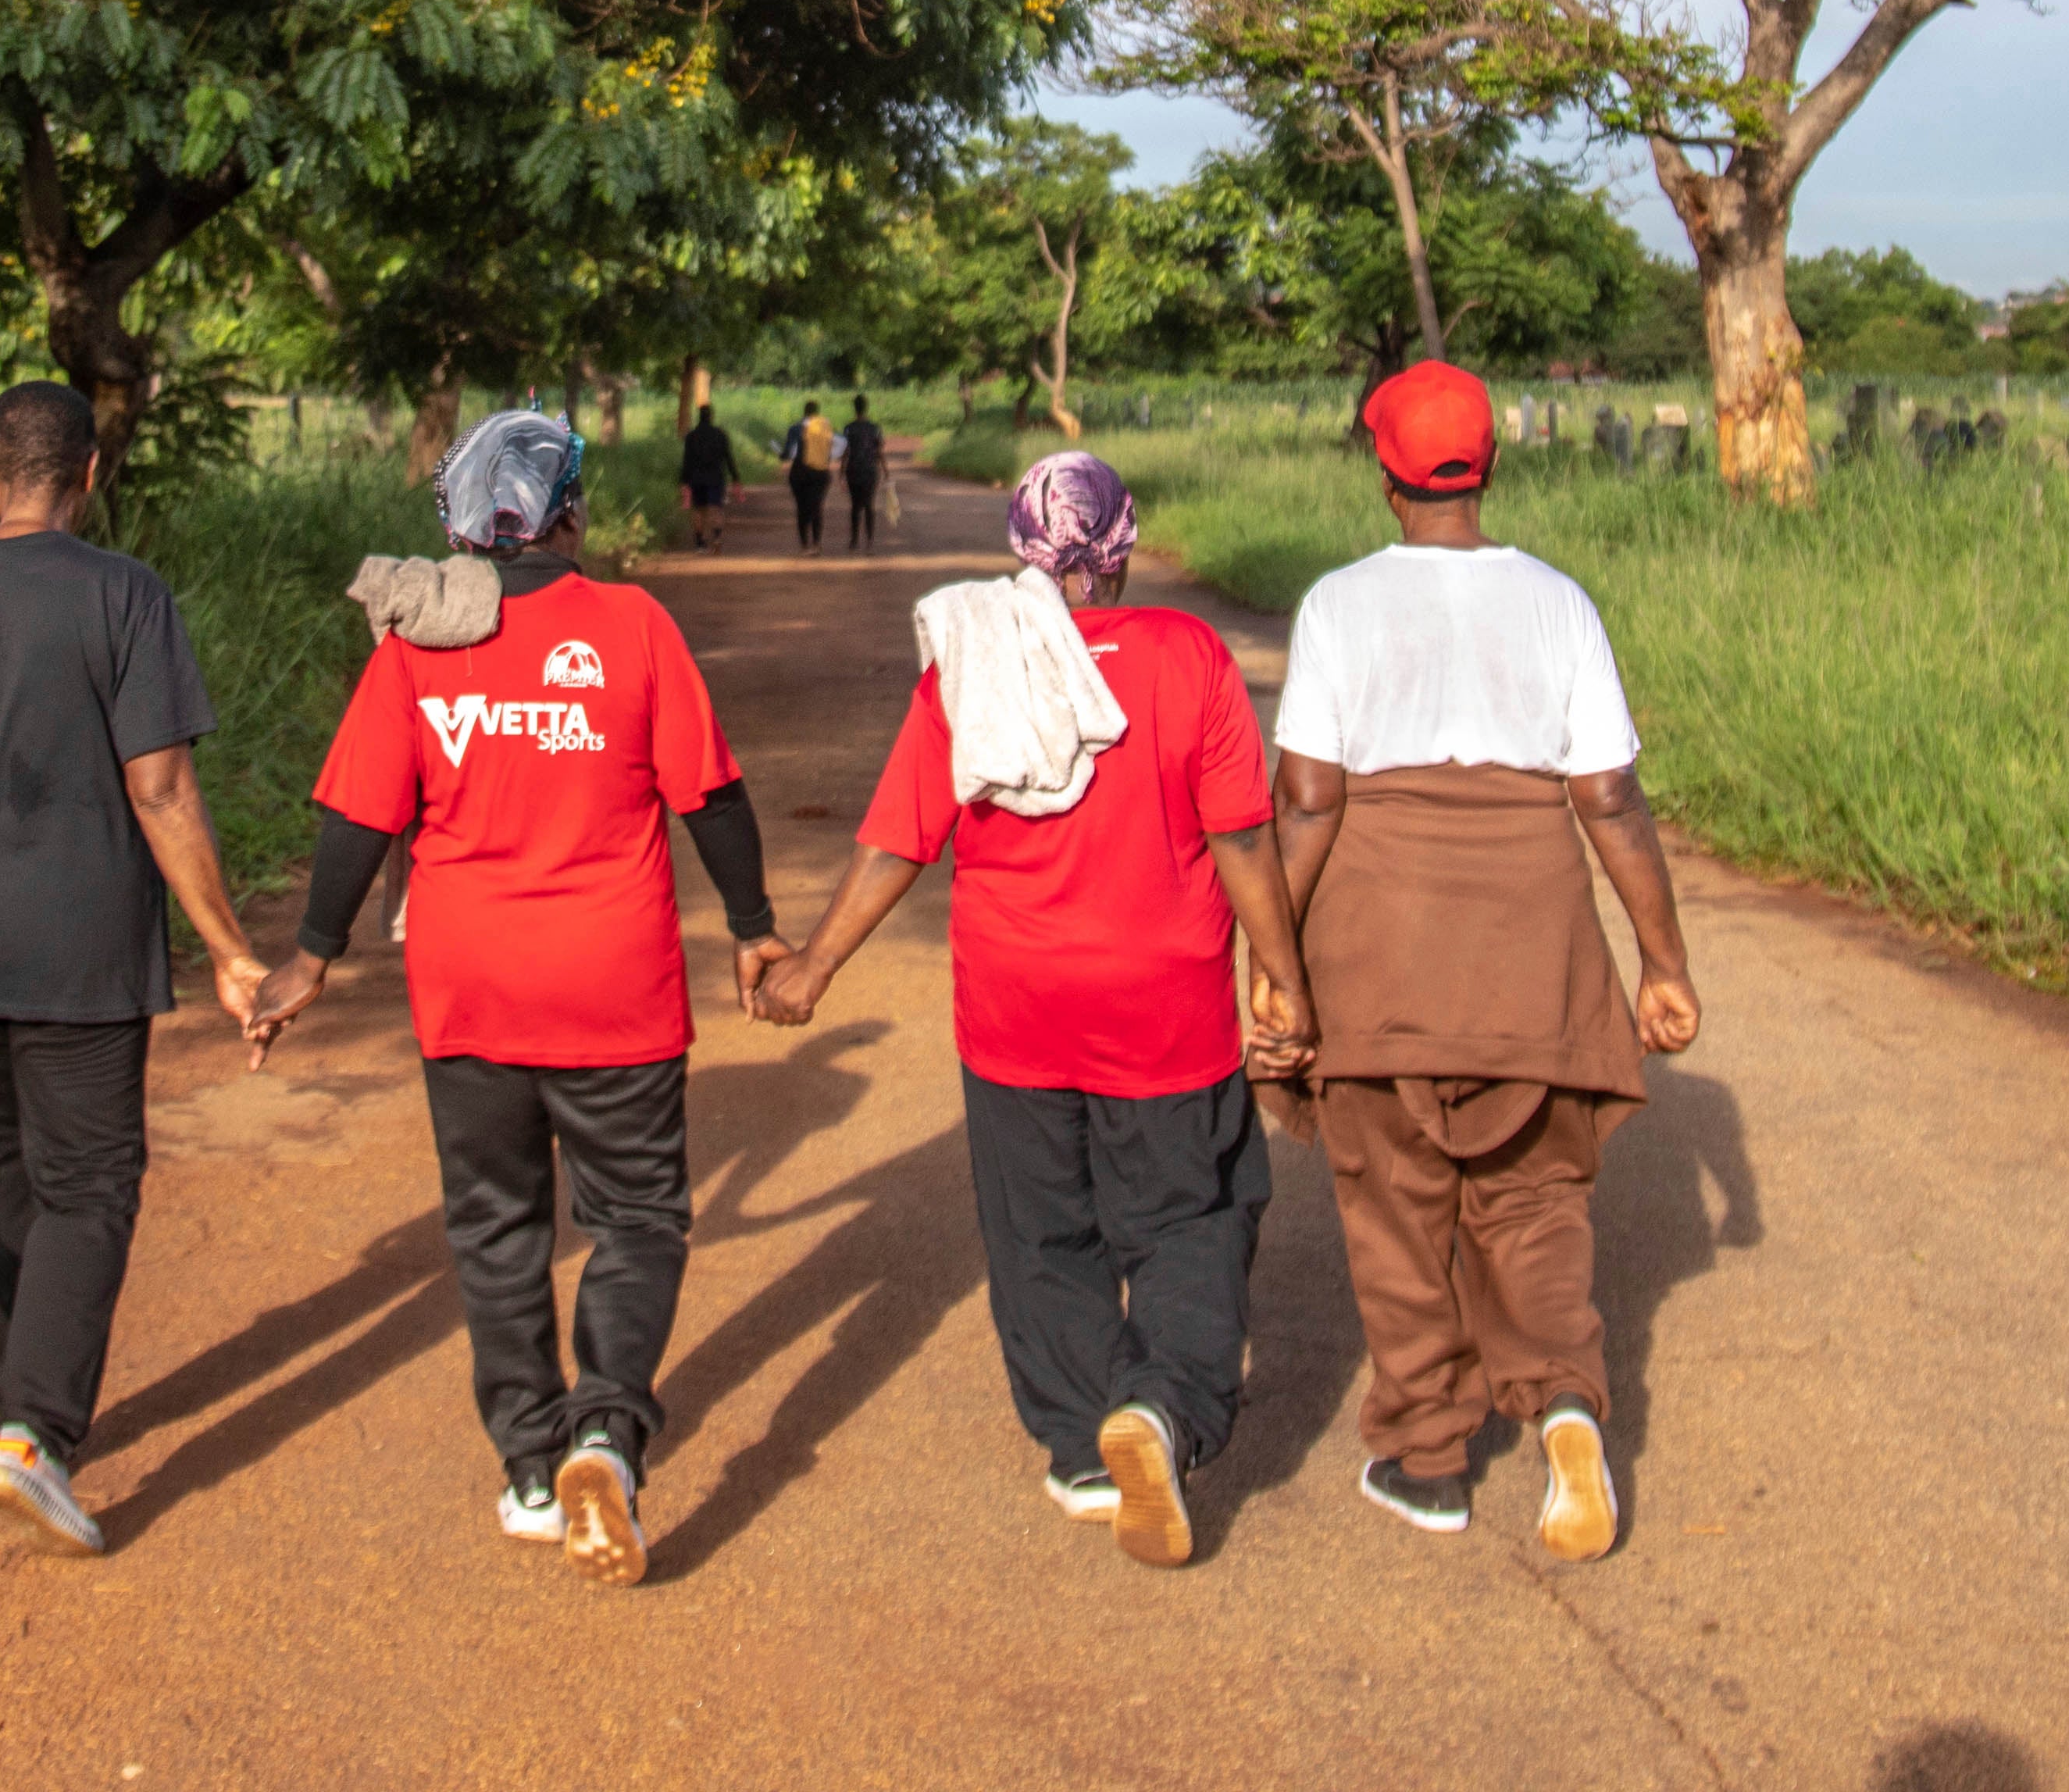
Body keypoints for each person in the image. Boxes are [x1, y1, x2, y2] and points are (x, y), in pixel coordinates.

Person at [245, 412, 791, 1584]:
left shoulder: (421, 641)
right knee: (637, 1218)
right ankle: (606, 1427)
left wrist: (312, 954)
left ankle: (536, 1469)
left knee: (496, 1228)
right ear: (573, 515)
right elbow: (714, 797)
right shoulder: (634, 626)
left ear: (459, 519)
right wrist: (755, 930)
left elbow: (358, 816)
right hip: (614, 989)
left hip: (469, 990)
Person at [751, 453, 1313, 1565]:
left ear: (1021, 548)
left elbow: (900, 836)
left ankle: (1077, 1446)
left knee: (1039, 1224)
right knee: (1196, 1212)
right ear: (1125, 545)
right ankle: (1158, 1406)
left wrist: (815, 964)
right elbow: (1244, 837)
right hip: (1162, 1008)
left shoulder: (969, 663)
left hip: (1015, 1009)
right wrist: (1284, 974)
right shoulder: (1189, 657)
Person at [1272, 359, 1701, 1562]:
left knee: (1397, 1207)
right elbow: (1609, 796)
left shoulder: (1339, 605)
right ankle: (1566, 1402)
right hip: (1534, 942)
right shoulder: (1559, 602)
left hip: (1381, 946)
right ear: (1489, 467)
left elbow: (1306, 803)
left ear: (1385, 473)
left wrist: (1275, 962)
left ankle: (1427, 1460)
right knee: (1534, 1197)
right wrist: (1660, 961)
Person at [0, 380, 264, 1559]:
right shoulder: (125, 594)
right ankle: (32, 1433)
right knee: (89, 1183)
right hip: (79, 943)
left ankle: (9, 1399)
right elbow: (163, 788)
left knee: (3, 1181)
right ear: (91, 474)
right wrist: (231, 950)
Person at [676, 398, 737, 552]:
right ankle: (716, 538)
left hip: (696, 478)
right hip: (715, 477)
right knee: (716, 509)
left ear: (699, 416)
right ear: (711, 416)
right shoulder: (720, 435)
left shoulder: (691, 436)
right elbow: (728, 457)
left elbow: (686, 460)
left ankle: (699, 543)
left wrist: (683, 480)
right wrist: (735, 477)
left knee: (698, 510)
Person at [779, 399, 832, 553]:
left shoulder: (796, 428)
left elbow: (789, 453)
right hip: (821, 473)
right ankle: (816, 543)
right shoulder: (825, 427)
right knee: (817, 507)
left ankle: (804, 544)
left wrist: (781, 455)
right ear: (817, 413)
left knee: (802, 508)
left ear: (805, 412)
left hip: (800, 473)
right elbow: (831, 449)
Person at [837, 400, 886, 542]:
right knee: (869, 504)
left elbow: (846, 452)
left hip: (853, 470)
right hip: (870, 470)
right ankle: (870, 539)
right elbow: (879, 451)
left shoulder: (849, 428)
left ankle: (854, 539)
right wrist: (886, 470)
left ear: (855, 409)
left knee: (855, 505)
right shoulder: (875, 428)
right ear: (866, 408)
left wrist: (841, 473)